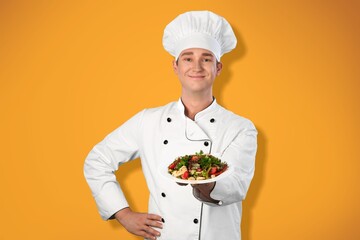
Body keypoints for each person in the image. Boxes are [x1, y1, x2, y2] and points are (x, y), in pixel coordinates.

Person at [84, 10, 257, 240]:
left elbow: (237, 186)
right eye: (188, 58)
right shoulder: (148, 120)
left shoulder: (240, 128)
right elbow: (97, 160)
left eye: (206, 58)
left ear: (218, 68)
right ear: (175, 66)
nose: (196, 66)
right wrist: (123, 214)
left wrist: (204, 184)